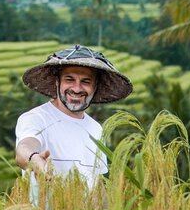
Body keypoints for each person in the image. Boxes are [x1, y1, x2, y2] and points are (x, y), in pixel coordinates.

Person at [15, 44, 133, 190]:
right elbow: (23, 149)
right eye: (69, 79)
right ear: (57, 82)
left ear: (95, 87)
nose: (77, 89)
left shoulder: (96, 129)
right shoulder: (36, 118)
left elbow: (97, 185)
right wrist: (33, 158)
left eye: (85, 81)